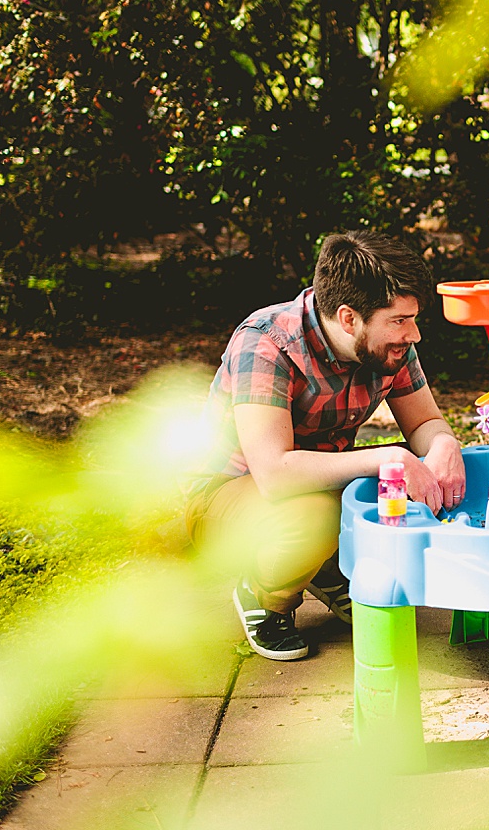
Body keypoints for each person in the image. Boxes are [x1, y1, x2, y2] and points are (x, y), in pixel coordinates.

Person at [187, 231, 467, 661]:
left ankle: (328, 567)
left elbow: (426, 422)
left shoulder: (390, 347)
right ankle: (264, 595)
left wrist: (444, 444)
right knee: (325, 508)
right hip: (228, 493)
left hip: (318, 476)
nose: (414, 335)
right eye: (399, 320)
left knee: (410, 471)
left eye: (413, 319)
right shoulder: (265, 343)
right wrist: (388, 458)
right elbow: (274, 474)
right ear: (349, 318)